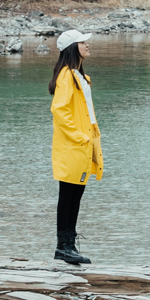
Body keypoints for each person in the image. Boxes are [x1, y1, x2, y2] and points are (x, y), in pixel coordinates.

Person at [49, 29, 101, 267]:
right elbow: (59, 110)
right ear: (73, 47)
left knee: (76, 196)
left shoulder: (79, 76)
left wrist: (89, 138)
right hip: (73, 145)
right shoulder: (66, 76)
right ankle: (63, 246)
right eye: (83, 42)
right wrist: (80, 137)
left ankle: (69, 244)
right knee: (67, 195)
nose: (88, 45)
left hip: (82, 145)